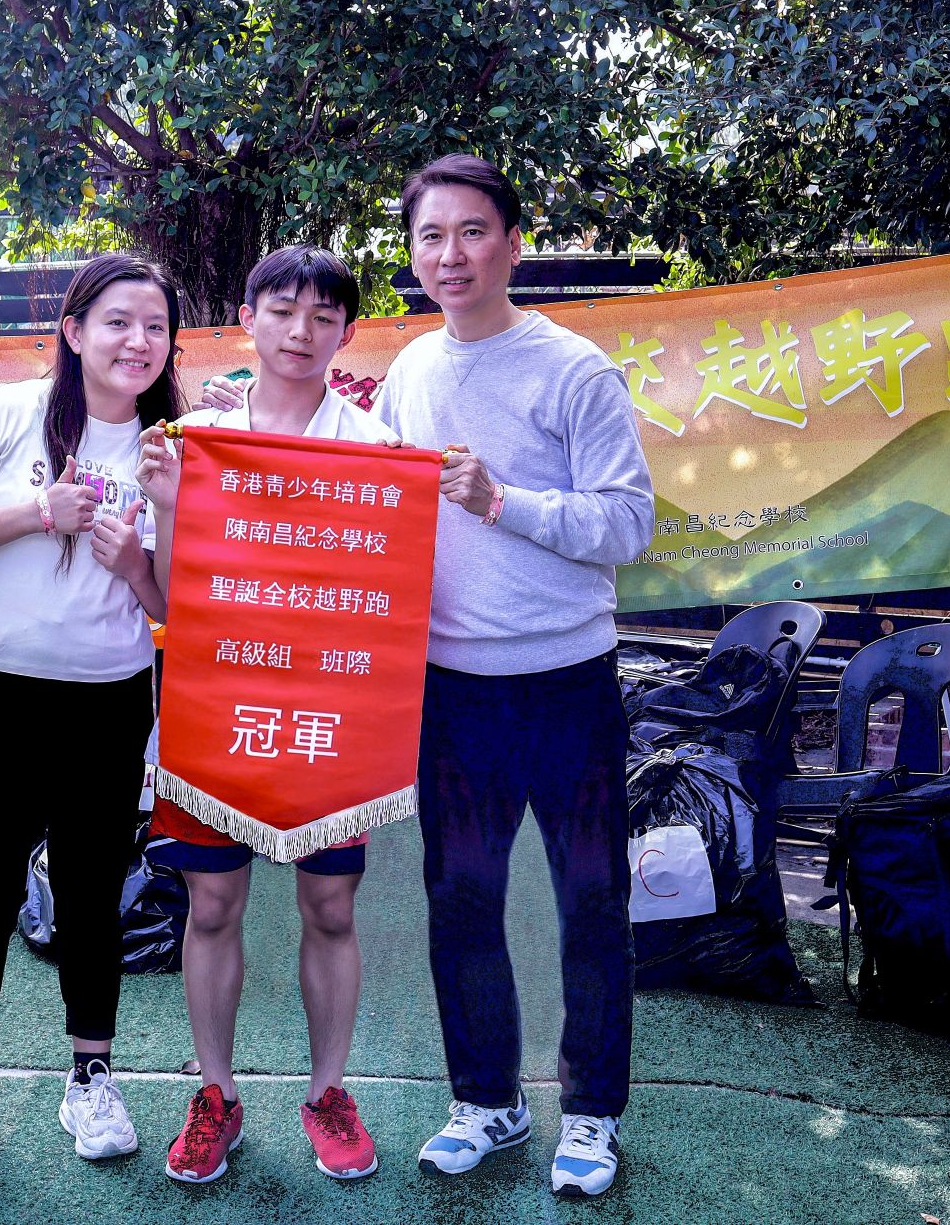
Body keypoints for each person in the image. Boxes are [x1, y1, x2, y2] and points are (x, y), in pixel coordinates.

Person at [373, 155, 653, 1197]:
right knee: (460, 899)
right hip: (450, 690)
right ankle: (486, 1100)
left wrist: (503, 500)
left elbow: (628, 522)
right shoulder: (409, 371)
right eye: (430, 236)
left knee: (591, 900)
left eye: (472, 232)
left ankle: (591, 1113)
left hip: (566, 679)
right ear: (413, 254)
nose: (450, 255)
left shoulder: (573, 369)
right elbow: (373, 500)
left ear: (513, 244)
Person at [0, 253, 185, 1180]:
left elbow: (171, 603)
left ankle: (91, 1076)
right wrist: (36, 511)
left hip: (106, 695)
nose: (138, 341)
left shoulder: (167, 451)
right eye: (118, 321)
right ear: (73, 329)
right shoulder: (6, 410)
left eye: (155, 326)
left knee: (92, 894)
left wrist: (132, 562)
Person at [135, 246, 394, 1185]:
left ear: (347, 332)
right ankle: (216, 1094)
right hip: (219, 703)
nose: (301, 332)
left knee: (330, 904)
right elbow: (172, 597)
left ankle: (328, 1093)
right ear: (246, 319)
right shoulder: (195, 440)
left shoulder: (375, 448)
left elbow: (391, 595)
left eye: (324, 316)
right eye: (282, 310)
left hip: (329, 710)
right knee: (211, 903)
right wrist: (171, 504)